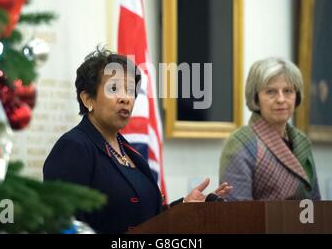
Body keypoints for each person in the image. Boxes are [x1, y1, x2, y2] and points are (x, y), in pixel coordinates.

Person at [43, 48, 232, 234]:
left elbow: (147, 219)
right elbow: (65, 226)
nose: (126, 98)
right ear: (87, 99)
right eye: (114, 88)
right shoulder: (74, 147)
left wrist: (184, 206)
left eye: (131, 90)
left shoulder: (129, 150)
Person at [219, 58, 321, 200]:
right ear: (256, 97)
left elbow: (317, 204)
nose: (281, 99)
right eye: (271, 92)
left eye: (288, 91)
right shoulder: (240, 144)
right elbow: (236, 214)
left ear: (296, 96)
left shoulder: (301, 141)